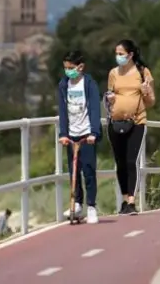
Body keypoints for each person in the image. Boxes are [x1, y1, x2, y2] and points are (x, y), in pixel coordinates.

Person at [105, 39, 155, 215]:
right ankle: (124, 200)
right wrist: (109, 100)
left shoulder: (143, 72)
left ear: (131, 55)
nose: (118, 57)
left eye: (121, 54)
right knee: (120, 162)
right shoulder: (113, 73)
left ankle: (132, 201)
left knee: (130, 160)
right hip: (115, 122)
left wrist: (145, 91)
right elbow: (108, 97)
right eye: (116, 54)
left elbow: (150, 102)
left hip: (136, 122)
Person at [57, 50, 102, 224]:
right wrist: (63, 133)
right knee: (73, 171)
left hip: (86, 133)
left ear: (80, 67)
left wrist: (94, 133)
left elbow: (94, 110)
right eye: (65, 68)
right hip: (71, 134)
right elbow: (62, 111)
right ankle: (76, 202)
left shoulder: (89, 84)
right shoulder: (63, 85)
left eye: (71, 68)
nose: (68, 71)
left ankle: (91, 206)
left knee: (89, 171)